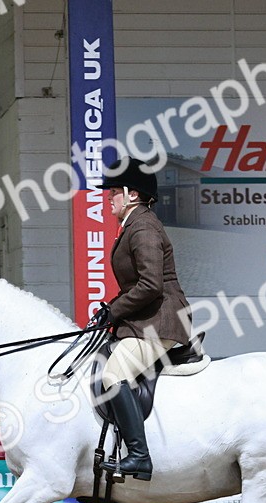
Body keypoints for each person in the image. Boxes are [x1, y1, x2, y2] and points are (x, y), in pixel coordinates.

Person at [94, 156, 194, 481]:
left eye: (113, 192)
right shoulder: (133, 225)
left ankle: (139, 455)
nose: (109, 197)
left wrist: (115, 309)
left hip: (160, 320)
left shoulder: (144, 226)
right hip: (145, 320)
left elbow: (151, 285)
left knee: (113, 375)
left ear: (132, 194)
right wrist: (111, 310)